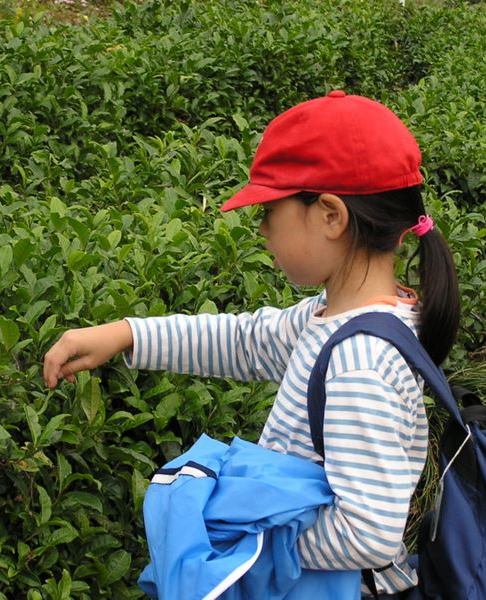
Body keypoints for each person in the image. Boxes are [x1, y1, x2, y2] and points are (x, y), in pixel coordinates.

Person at [42, 91, 460, 598]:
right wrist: (127, 334)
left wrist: (246, 551)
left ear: (331, 215)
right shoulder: (345, 318)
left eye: (269, 210)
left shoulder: (360, 361)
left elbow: (367, 533)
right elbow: (246, 341)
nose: (261, 228)